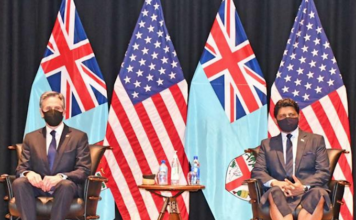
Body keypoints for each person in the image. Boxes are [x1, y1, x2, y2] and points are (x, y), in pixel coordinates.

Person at [12, 91, 91, 220]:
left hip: (65, 187)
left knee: (66, 185)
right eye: (48, 108)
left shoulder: (79, 136)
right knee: (19, 182)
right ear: (41, 112)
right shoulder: (31, 138)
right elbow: (21, 169)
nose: (53, 111)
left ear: (64, 111)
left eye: (57, 108)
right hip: (38, 187)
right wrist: (28, 174)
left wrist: (61, 177)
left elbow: (84, 170)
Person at [251, 98, 331, 220]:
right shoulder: (267, 144)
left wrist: (302, 187)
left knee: (318, 193)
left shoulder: (316, 140)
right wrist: (276, 183)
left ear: (299, 116)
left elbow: (323, 172)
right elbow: (258, 171)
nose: (287, 118)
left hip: (309, 190)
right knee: (274, 192)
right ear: (275, 120)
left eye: (291, 115)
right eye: (282, 116)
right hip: (280, 192)